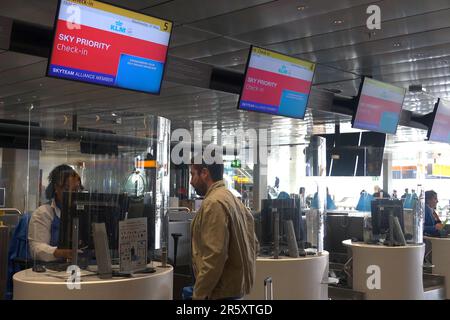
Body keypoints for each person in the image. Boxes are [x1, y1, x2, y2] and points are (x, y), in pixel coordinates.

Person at [189, 157, 258, 300]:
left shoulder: (214, 203)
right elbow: (254, 244)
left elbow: (214, 256)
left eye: (192, 174)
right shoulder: (232, 199)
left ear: (205, 173)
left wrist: (199, 294)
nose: (191, 181)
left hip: (220, 292)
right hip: (235, 290)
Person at [28, 164, 83, 262]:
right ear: (56, 188)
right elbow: (36, 249)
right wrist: (59, 253)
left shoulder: (84, 212)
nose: (72, 194)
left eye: (76, 190)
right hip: (50, 271)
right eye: (66, 189)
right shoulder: (44, 213)